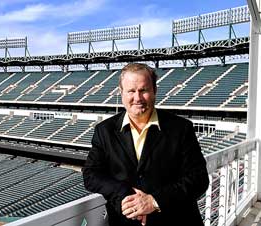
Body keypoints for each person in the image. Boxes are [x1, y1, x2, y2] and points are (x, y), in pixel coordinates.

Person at [83, 63, 209, 226]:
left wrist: (154, 201)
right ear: (121, 93)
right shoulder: (104, 130)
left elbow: (198, 178)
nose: (137, 98)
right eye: (131, 91)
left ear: (154, 91)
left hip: (176, 220)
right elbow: (91, 174)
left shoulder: (180, 128)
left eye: (143, 90)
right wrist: (123, 194)